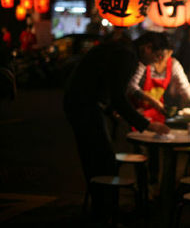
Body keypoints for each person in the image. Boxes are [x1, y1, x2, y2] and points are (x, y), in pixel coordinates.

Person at [64, 31, 170, 221]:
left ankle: (102, 211)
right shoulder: (127, 56)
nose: (155, 61)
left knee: (96, 160)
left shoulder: (123, 50)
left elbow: (110, 88)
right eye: (156, 56)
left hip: (80, 102)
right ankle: (106, 214)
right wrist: (148, 125)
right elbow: (119, 97)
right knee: (104, 162)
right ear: (147, 48)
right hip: (84, 105)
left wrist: (111, 108)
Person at [128, 34, 190, 124]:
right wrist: (154, 101)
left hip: (157, 112)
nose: (159, 58)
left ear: (170, 52)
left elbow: (185, 86)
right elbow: (131, 86)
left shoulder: (173, 64)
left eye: (162, 54)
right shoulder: (147, 60)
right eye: (157, 54)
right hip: (138, 110)